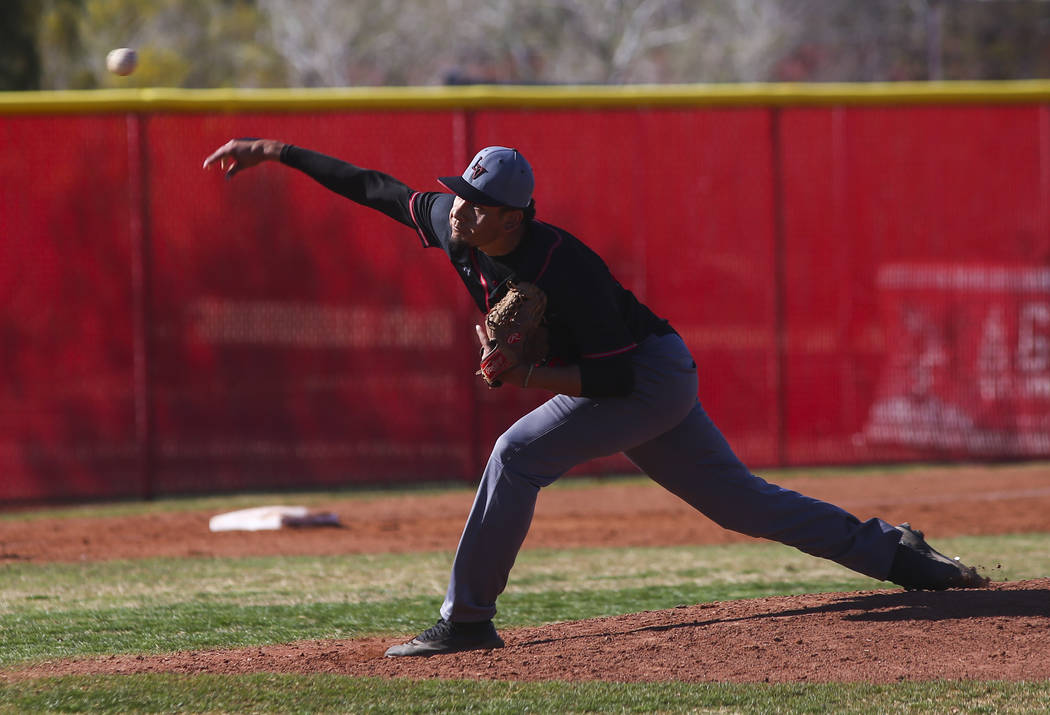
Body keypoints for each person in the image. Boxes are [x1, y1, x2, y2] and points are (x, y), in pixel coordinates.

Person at [203, 139, 988, 657]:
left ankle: (467, 621)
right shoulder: (458, 227)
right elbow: (377, 189)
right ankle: (896, 551)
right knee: (742, 504)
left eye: (476, 201)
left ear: (514, 215)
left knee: (516, 453)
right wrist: (279, 151)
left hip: (648, 373)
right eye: (461, 195)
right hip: (642, 378)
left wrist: (522, 377)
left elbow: (613, 381)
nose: (459, 207)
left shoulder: (565, 269)